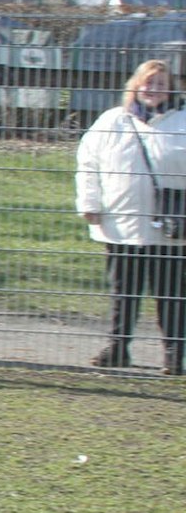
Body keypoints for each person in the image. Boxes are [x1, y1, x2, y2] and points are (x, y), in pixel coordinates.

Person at [75, 58, 186, 374]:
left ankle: (174, 355)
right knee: (123, 291)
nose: (153, 89)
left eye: (161, 84)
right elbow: (88, 163)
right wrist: (89, 202)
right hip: (121, 222)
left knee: (171, 294)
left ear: (171, 88)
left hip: (171, 227)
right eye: (148, 82)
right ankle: (117, 347)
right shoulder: (112, 121)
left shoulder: (182, 121)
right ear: (135, 85)